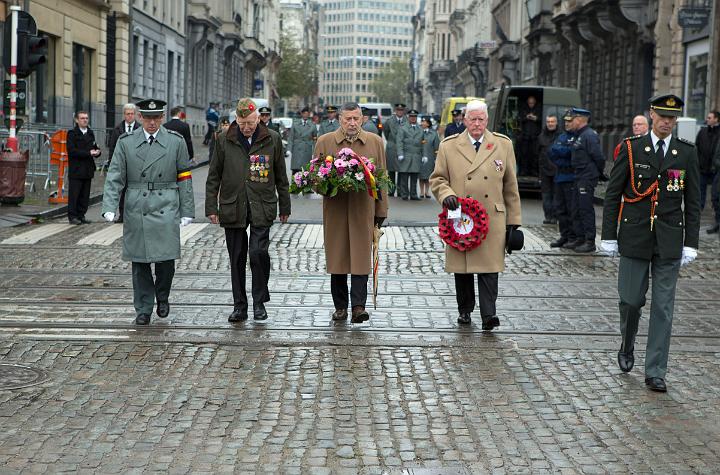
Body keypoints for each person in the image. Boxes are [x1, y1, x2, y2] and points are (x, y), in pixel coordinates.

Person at [600, 94, 700, 393]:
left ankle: (655, 370)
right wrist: (608, 235)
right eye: (662, 117)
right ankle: (627, 343)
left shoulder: (685, 153)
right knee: (631, 301)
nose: (667, 122)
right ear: (652, 116)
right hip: (634, 236)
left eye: (672, 118)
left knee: (663, 308)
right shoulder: (632, 149)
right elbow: (613, 193)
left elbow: (693, 202)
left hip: (669, 239)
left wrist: (690, 242)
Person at [101, 98, 195, 325]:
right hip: (137, 203)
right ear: (140, 117)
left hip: (166, 202)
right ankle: (143, 307)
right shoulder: (126, 142)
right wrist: (109, 206)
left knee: (165, 260)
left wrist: (187, 209)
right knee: (139, 261)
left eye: (156, 118)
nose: (152, 123)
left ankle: (162, 296)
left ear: (162, 118)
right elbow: (115, 176)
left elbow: (184, 176)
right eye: (147, 118)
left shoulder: (175, 142)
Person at [430, 100, 522, 329]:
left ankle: (489, 314)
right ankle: (465, 310)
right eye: (473, 119)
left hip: (492, 217)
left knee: (490, 269)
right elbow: (438, 178)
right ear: (464, 120)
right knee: (463, 269)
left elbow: (511, 186)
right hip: (460, 217)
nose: (477, 124)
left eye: (481, 119)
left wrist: (514, 222)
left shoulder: (502, 144)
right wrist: (446, 195)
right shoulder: (449, 146)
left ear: (487, 120)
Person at [206, 98, 291, 323]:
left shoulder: (271, 138)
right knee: (236, 258)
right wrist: (210, 207)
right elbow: (213, 176)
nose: (247, 127)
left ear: (258, 119)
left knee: (258, 253)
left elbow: (281, 175)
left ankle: (259, 302)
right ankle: (240, 305)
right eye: (242, 123)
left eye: (251, 122)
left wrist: (285, 205)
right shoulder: (224, 139)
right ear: (237, 119)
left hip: (262, 204)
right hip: (233, 205)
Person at [313, 102, 388, 323]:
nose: (352, 123)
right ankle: (340, 307)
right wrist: (327, 181)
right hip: (335, 209)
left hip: (363, 209)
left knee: (360, 257)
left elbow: (382, 178)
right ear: (340, 120)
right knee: (337, 258)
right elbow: (314, 178)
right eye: (347, 119)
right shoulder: (325, 142)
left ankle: (358, 307)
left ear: (363, 119)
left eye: (356, 118)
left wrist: (381, 210)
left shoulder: (374, 142)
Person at [566, 107, 605, 253]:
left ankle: (590, 241)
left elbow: (599, 157)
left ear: (580, 120)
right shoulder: (579, 135)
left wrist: (597, 173)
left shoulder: (589, 135)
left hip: (586, 177)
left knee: (585, 209)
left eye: (573, 119)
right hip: (578, 176)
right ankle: (579, 238)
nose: (571, 122)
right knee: (576, 208)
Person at [66, 111, 102, 225]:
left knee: (85, 195)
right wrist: (88, 153)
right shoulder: (72, 133)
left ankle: (81, 215)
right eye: (82, 118)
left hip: (88, 168)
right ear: (77, 120)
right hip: (76, 169)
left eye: (86, 118)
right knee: (74, 194)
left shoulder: (90, 133)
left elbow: (95, 147)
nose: (85, 120)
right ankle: (73, 216)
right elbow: (72, 151)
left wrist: (98, 152)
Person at [107, 103, 141, 223]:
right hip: (122, 165)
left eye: (132, 114)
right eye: (128, 114)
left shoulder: (140, 128)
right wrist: (112, 164)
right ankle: (122, 215)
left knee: (135, 191)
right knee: (122, 191)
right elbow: (112, 147)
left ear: (135, 115)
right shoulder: (117, 129)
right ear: (124, 115)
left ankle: (135, 215)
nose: (130, 116)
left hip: (136, 166)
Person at [695, 110, 720, 234]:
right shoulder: (703, 131)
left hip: (716, 170)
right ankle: (695, 219)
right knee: (700, 195)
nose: (707, 119)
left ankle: (717, 222)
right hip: (702, 169)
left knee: (715, 196)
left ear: (716, 119)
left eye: (710, 117)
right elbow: (697, 147)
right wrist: (698, 163)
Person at [537, 115, 560, 224]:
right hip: (545, 171)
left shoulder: (561, 136)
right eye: (548, 121)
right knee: (546, 195)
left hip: (557, 170)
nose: (550, 123)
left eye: (552, 121)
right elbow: (537, 154)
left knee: (556, 195)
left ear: (556, 123)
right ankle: (548, 216)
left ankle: (555, 217)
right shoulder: (541, 136)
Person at [396, 109, 423, 200]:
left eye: (414, 116)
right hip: (406, 155)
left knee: (414, 177)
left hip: (416, 155)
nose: (413, 118)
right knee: (404, 176)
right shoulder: (403, 127)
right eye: (411, 116)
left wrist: (424, 155)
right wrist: (400, 153)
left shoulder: (420, 128)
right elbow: (399, 141)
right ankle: (404, 194)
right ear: (408, 117)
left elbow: (423, 143)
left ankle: (413, 194)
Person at [384, 103, 407, 196]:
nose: (400, 112)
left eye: (401, 110)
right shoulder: (389, 121)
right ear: (395, 111)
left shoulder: (406, 120)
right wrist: (391, 142)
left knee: (402, 170)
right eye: (398, 110)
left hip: (402, 148)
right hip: (392, 148)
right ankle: (391, 190)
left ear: (404, 111)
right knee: (391, 171)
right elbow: (386, 132)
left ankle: (400, 190)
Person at [518, 96, 542, 176]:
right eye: (529, 103)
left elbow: (542, 119)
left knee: (535, 155)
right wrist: (526, 117)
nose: (531, 104)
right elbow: (520, 118)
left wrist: (536, 118)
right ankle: (524, 171)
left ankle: (534, 171)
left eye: (532, 103)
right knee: (524, 154)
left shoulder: (539, 109)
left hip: (535, 136)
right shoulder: (524, 108)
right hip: (525, 136)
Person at [288, 107, 314, 174]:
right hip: (297, 149)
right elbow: (291, 137)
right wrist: (289, 149)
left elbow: (315, 138)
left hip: (307, 149)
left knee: (306, 171)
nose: (305, 115)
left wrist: (314, 151)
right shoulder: (295, 124)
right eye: (304, 113)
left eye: (307, 113)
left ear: (309, 114)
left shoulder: (312, 125)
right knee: (296, 170)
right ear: (301, 114)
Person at [419, 116, 440, 199]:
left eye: (424, 122)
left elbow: (437, 147)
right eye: (422, 121)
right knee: (421, 175)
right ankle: (421, 192)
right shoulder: (419, 132)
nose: (422, 123)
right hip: (420, 156)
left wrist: (436, 158)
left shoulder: (433, 133)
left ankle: (427, 192)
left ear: (428, 123)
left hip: (430, 157)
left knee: (428, 175)